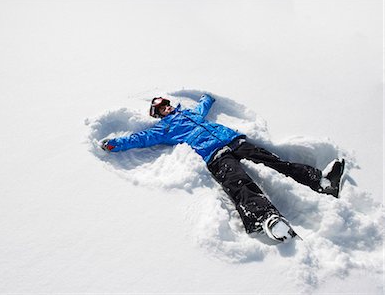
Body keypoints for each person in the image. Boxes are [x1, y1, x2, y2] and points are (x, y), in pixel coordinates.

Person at [100, 94, 345, 242]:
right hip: (214, 155)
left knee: (275, 161)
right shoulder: (163, 128)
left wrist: (208, 97)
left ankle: (321, 182)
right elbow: (139, 139)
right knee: (239, 183)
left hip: (233, 141)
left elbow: (205, 105)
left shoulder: (191, 113)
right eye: (160, 108)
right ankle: (265, 218)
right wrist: (114, 144)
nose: (166, 108)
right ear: (158, 114)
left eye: (166, 104)